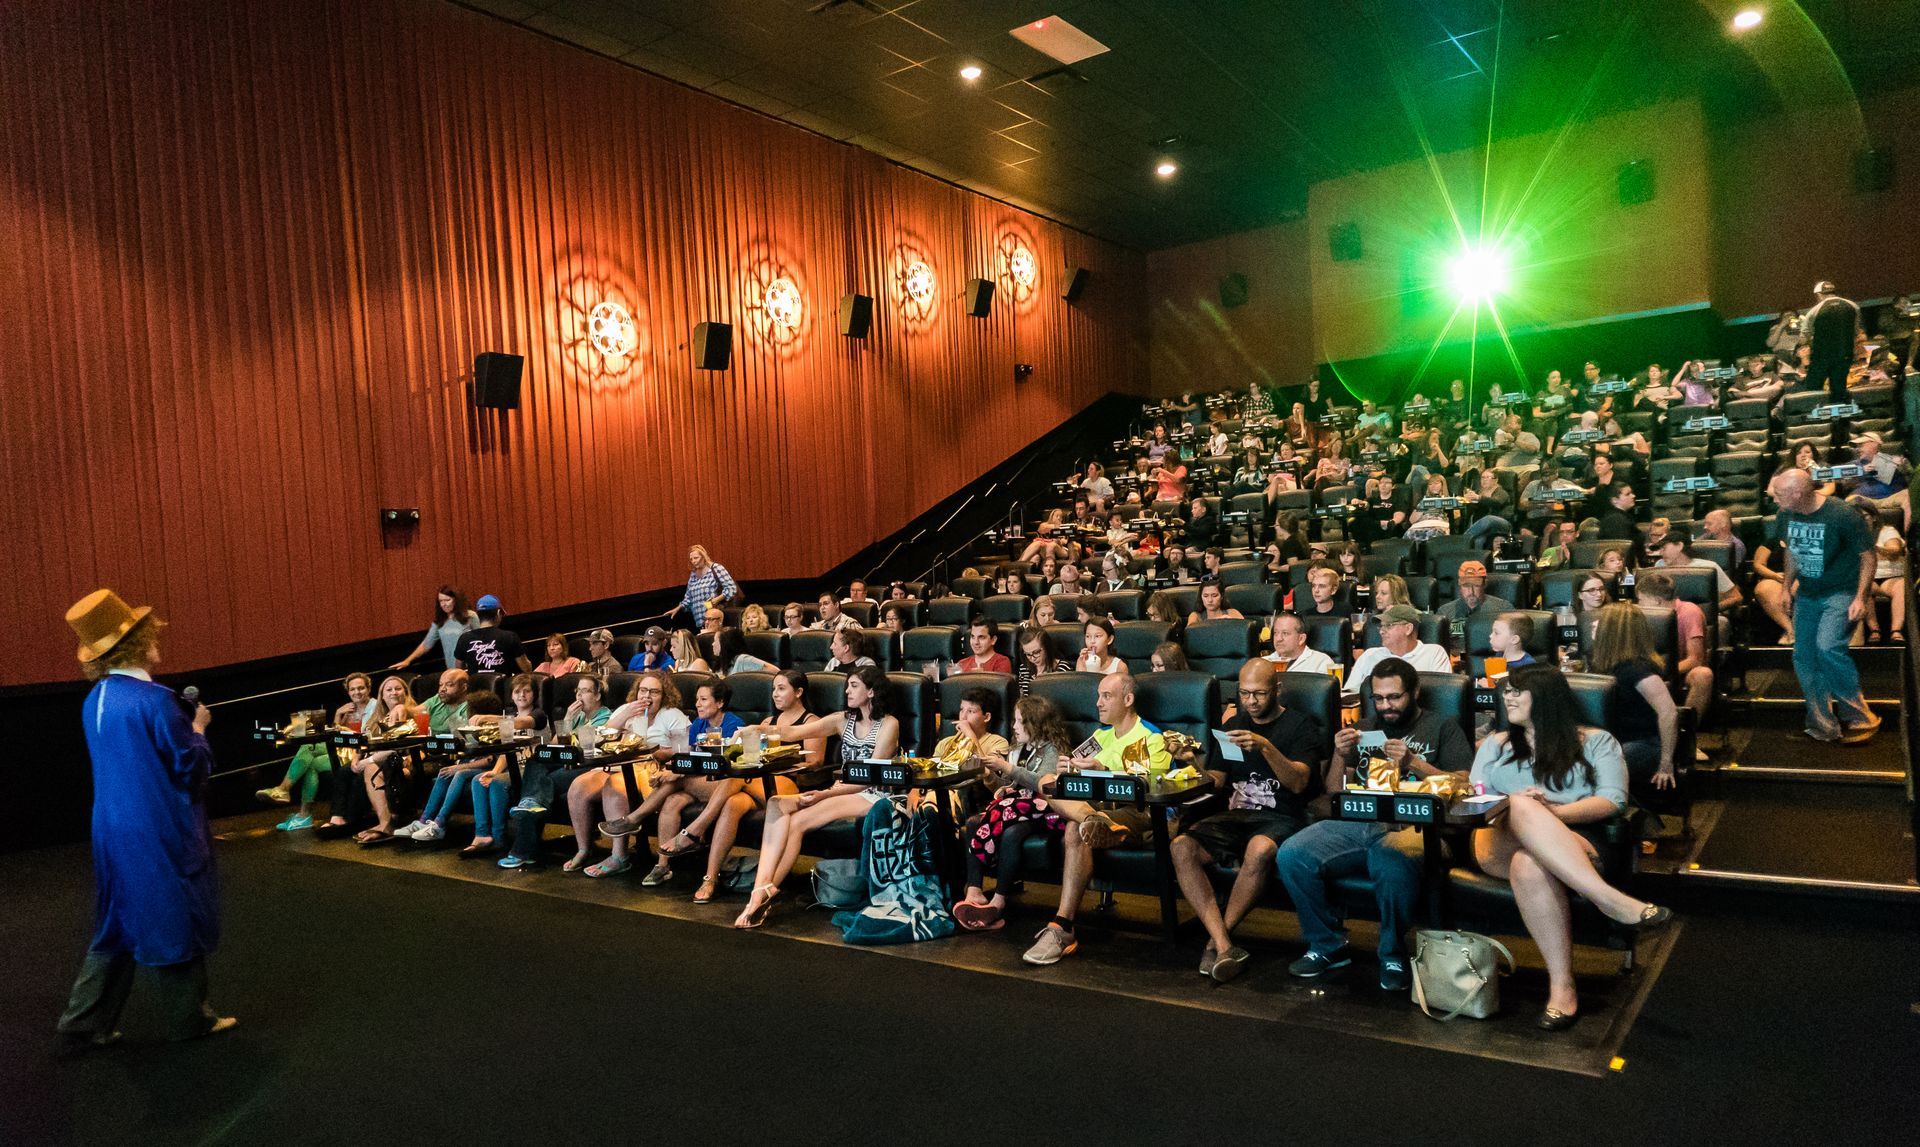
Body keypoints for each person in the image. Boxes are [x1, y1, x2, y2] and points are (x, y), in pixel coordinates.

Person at [57, 591, 235, 1046]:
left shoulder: (95, 698)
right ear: (136, 643)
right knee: (174, 912)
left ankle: (84, 1023)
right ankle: (190, 1019)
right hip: (158, 827)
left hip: (111, 827)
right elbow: (189, 768)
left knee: (117, 920)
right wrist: (198, 730)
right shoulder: (157, 701)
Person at [1468, 666, 1675, 1029]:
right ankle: (1609, 900)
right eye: (1507, 692)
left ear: (1546, 698)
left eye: (1517, 691)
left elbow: (1613, 800)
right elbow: (1476, 797)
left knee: (1529, 863)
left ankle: (1562, 988)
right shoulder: (1495, 745)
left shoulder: (1596, 741)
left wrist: (1550, 814)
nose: (1507, 698)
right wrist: (1521, 807)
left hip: (1575, 839)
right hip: (1495, 837)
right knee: (1518, 804)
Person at [1275, 658, 1470, 990]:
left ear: (1415, 692)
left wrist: (1412, 762)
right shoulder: (1364, 729)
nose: (1385, 706)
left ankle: (1392, 953)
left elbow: (1463, 783)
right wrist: (1338, 753)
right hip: (1361, 819)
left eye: (1394, 697)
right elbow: (1334, 792)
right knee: (1292, 854)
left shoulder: (1442, 726)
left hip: (1417, 827)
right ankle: (1327, 945)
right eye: (1378, 698)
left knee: (1390, 857)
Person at [1172, 660, 1326, 982]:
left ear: (1276, 690)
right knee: (1181, 846)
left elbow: (1299, 783)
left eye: (1259, 693)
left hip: (1282, 815)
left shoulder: (1301, 726)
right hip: (1236, 814)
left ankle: (1216, 941)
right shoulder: (1232, 728)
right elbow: (1215, 783)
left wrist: (1266, 746)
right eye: (1244, 693)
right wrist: (1193, 763)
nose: (1251, 701)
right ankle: (1225, 944)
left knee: (1258, 849)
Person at [733, 666, 901, 929]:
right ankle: (762, 889)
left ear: (871, 691)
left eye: (854, 685)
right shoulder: (841, 720)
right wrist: (755, 729)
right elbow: (792, 733)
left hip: (874, 794)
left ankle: (760, 896)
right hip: (840, 790)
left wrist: (826, 793)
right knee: (778, 804)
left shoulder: (889, 724)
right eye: (847, 685)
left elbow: (869, 777)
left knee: (797, 822)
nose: (847, 690)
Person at [1021, 674, 1172, 965]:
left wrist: (1102, 769)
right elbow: (1076, 774)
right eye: (1098, 695)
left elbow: (1151, 788)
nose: (1098, 702)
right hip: (1095, 806)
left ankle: (1062, 926)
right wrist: (1069, 769)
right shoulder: (1100, 737)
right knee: (1050, 781)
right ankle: (1097, 821)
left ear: (1128, 700)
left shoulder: (1152, 738)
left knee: (1075, 829)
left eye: (1107, 696)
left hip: (1137, 812)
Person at [1771, 469, 1880, 742]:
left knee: (1828, 646)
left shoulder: (1842, 514)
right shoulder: (1786, 514)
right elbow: (1792, 551)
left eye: (1779, 493)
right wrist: (1786, 588)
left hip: (1842, 591)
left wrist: (1860, 597)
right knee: (1804, 656)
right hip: (1808, 593)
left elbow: (1868, 557)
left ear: (1798, 493)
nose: (1774, 499)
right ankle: (1823, 725)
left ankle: (1859, 715)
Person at [956, 697, 1076, 931]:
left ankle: (999, 901)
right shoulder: (1018, 749)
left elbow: (1043, 783)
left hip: (1045, 812)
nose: (1014, 726)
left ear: (1036, 723)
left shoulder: (1052, 748)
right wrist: (995, 777)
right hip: (1016, 809)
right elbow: (1008, 784)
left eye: (1019, 721)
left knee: (1012, 833)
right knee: (972, 823)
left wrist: (1009, 769)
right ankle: (975, 892)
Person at [567, 671, 692, 878]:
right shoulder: (627, 710)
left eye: (654, 692)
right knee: (579, 786)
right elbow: (599, 736)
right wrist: (625, 715)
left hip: (647, 766)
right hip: (615, 764)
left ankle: (619, 857)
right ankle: (583, 849)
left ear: (664, 695)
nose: (646, 697)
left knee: (615, 785)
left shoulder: (672, 715)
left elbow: (685, 750)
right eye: (643, 691)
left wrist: (658, 750)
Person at [496, 675, 612, 869]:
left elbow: (589, 747)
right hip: (565, 762)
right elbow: (553, 746)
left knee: (541, 787)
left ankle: (522, 851)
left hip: (587, 767)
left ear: (598, 695)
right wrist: (567, 719)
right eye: (577, 691)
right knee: (537, 760)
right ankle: (529, 810)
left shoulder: (606, 716)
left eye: (585, 691)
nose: (579, 695)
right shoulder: (578, 716)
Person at [255, 672, 374, 831]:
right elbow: (335, 733)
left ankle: (290, 798)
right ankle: (300, 810)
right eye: (352, 689)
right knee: (309, 755)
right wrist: (339, 714)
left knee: (309, 754)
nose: (357, 692)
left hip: (362, 753)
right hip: (344, 752)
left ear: (368, 689)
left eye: (361, 688)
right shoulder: (347, 709)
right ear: (348, 691)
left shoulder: (375, 706)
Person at [1586, 603, 1679, 796]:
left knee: (1595, 769)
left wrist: (1666, 763)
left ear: (1614, 631)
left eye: (1601, 621)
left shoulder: (1638, 670)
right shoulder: (1604, 665)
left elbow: (1668, 713)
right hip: (1614, 740)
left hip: (1645, 743)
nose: (1594, 624)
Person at [396, 689, 506, 842]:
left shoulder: (496, 727)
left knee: (457, 773)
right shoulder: (473, 728)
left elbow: (489, 760)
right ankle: (424, 821)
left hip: (492, 768)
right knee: (444, 772)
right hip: (472, 765)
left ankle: (440, 824)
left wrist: (458, 767)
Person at [465, 674, 550, 855]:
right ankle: (481, 835)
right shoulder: (509, 717)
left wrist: (489, 718)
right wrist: (494, 771)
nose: (522, 695)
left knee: (497, 783)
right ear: (511, 696)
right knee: (479, 780)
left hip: (532, 770)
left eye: (527, 691)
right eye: (517, 691)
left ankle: (499, 838)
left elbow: (520, 723)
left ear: (534, 694)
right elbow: (506, 750)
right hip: (512, 766)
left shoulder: (539, 715)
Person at [1634, 571, 1715, 740]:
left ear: (1656, 600)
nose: (1638, 604)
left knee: (1703, 675)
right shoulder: (1641, 615)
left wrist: (1661, 672)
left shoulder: (1689, 612)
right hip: (1650, 669)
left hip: (1681, 669)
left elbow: (1695, 659)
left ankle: (1686, 737)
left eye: (1641, 600)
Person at [1349, 604, 1451, 685]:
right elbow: (1349, 694)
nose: (1381, 632)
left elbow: (1442, 695)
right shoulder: (1369, 655)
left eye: (1388, 625)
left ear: (1408, 629)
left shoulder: (1434, 654)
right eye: (1381, 626)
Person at [390, 587, 478, 671]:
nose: (444, 604)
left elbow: (481, 638)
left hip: (471, 666)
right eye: (441, 601)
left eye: (447, 600)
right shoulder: (439, 622)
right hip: (451, 670)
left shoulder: (470, 616)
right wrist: (407, 660)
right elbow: (426, 644)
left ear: (456, 600)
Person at [1804, 280, 1860, 405]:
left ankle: (1817, 417)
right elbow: (1856, 332)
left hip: (1821, 356)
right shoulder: (1853, 306)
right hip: (1844, 354)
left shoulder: (1814, 311)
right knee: (1839, 388)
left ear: (1818, 295)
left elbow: (1804, 337)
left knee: (1813, 388)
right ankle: (1840, 418)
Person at [1652, 535, 1741, 611]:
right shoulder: (1659, 566)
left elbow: (1736, 597)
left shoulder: (1709, 567)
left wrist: (1709, 611)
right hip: (1669, 619)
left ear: (1679, 546)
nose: (1660, 552)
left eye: (1664, 548)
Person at [454, 595, 531, 675]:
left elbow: (458, 670)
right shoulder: (510, 637)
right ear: (498, 613)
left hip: (475, 686)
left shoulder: (464, 638)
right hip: (502, 686)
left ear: (478, 615)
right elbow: (526, 668)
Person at [673, 544, 739, 630]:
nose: (693, 561)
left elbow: (731, 588)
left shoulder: (716, 568)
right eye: (691, 559)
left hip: (715, 618)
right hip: (700, 621)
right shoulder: (693, 574)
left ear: (703, 557)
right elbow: (689, 597)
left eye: (696, 558)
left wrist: (716, 599)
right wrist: (678, 607)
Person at [1436, 560, 1513, 624]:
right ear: (1459, 585)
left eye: (1476, 586)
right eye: (1466, 586)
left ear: (1485, 584)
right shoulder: (1445, 612)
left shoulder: (1503, 609)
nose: (1471, 592)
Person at [1265, 611, 1335, 674]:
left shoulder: (1321, 662)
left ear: (1301, 639)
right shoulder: (1264, 663)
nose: (1279, 638)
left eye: (1285, 633)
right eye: (1276, 633)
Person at [1014, 624, 1070, 695]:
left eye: (1036, 652)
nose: (1033, 658)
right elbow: (1022, 694)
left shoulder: (1062, 667)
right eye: (1028, 654)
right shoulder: (1024, 668)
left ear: (1046, 647)